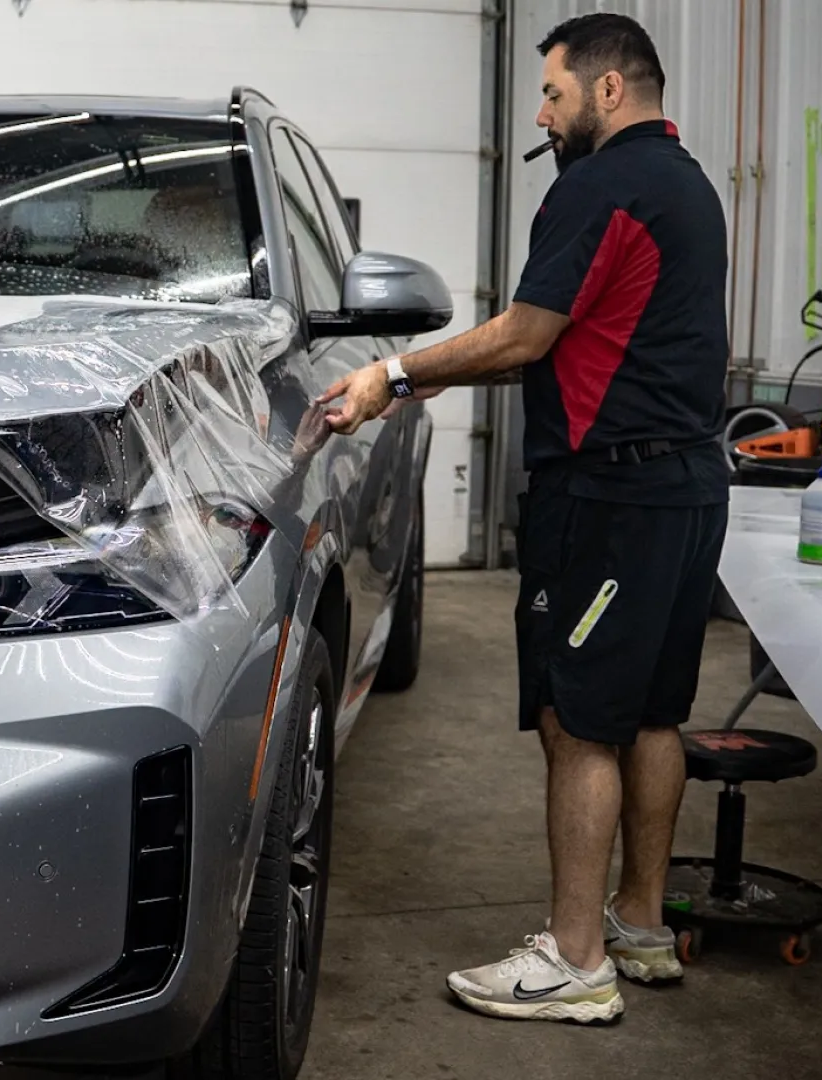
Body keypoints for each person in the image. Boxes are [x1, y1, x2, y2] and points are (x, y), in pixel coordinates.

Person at [318, 13, 728, 1024]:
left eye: (552, 93)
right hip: (684, 486)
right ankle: (636, 921)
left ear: (609, 91)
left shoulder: (598, 186)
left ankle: (575, 960)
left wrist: (394, 374)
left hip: (609, 498)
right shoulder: (692, 187)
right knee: (654, 713)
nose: (541, 114)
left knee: (577, 719)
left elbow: (523, 339)